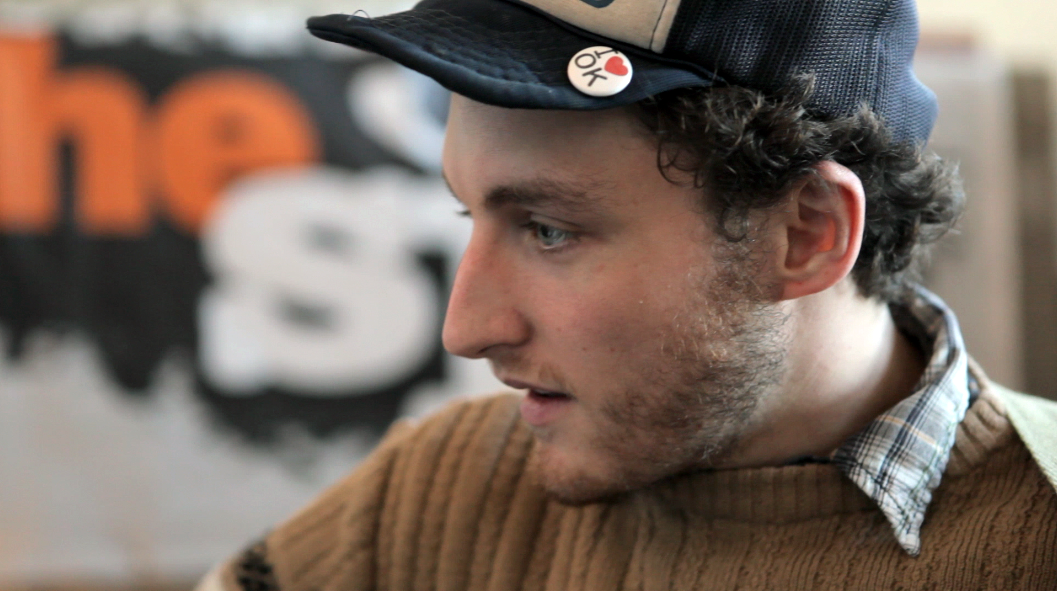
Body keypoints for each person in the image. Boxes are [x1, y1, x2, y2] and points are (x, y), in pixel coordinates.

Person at [198, 0, 1057, 589]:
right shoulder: (436, 495)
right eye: (470, 213)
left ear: (807, 234)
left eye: (548, 230)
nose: (465, 328)